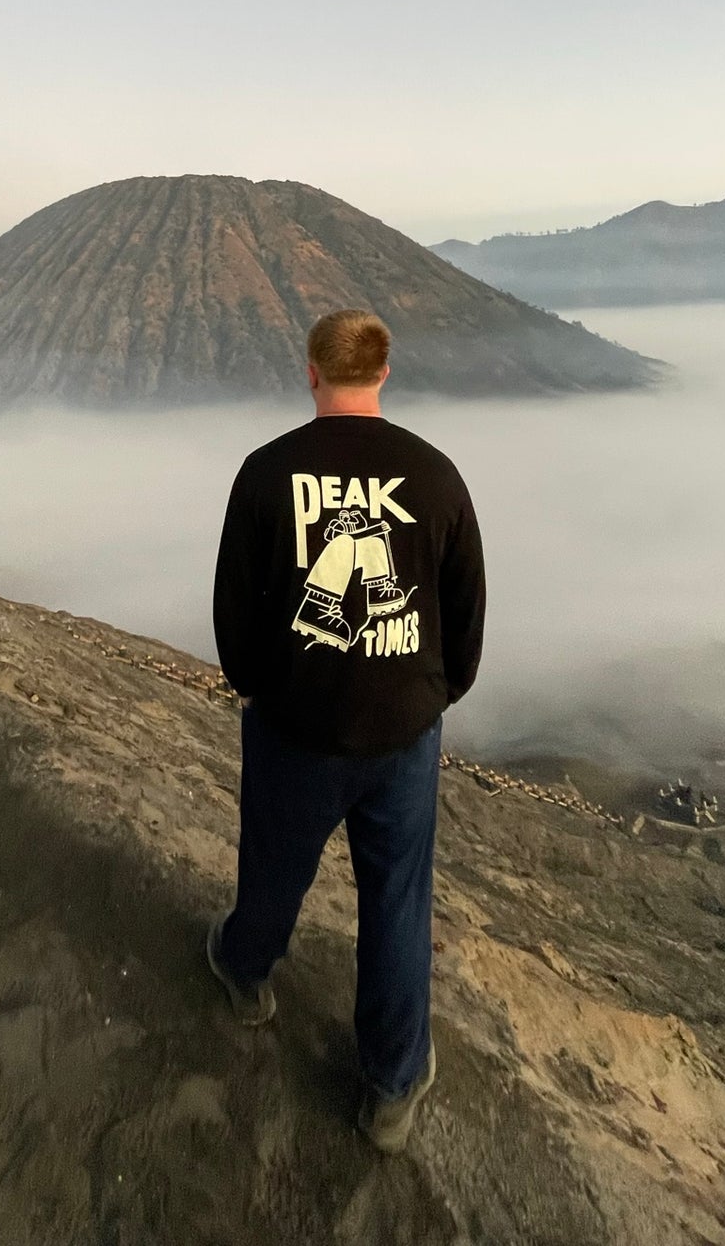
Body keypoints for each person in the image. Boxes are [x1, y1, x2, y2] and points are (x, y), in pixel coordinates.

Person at [208, 309, 486, 1154]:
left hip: (295, 728)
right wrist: (436, 692)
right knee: (396, 904)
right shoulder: (434, 476)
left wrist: (263, 687)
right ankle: (393, 1086)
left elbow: (233, 609)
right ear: (383, 371)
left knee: (272, 867)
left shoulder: (266, 473)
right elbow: (464, 610)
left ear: (311, 371)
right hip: (402, 734)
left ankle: (245, 975)